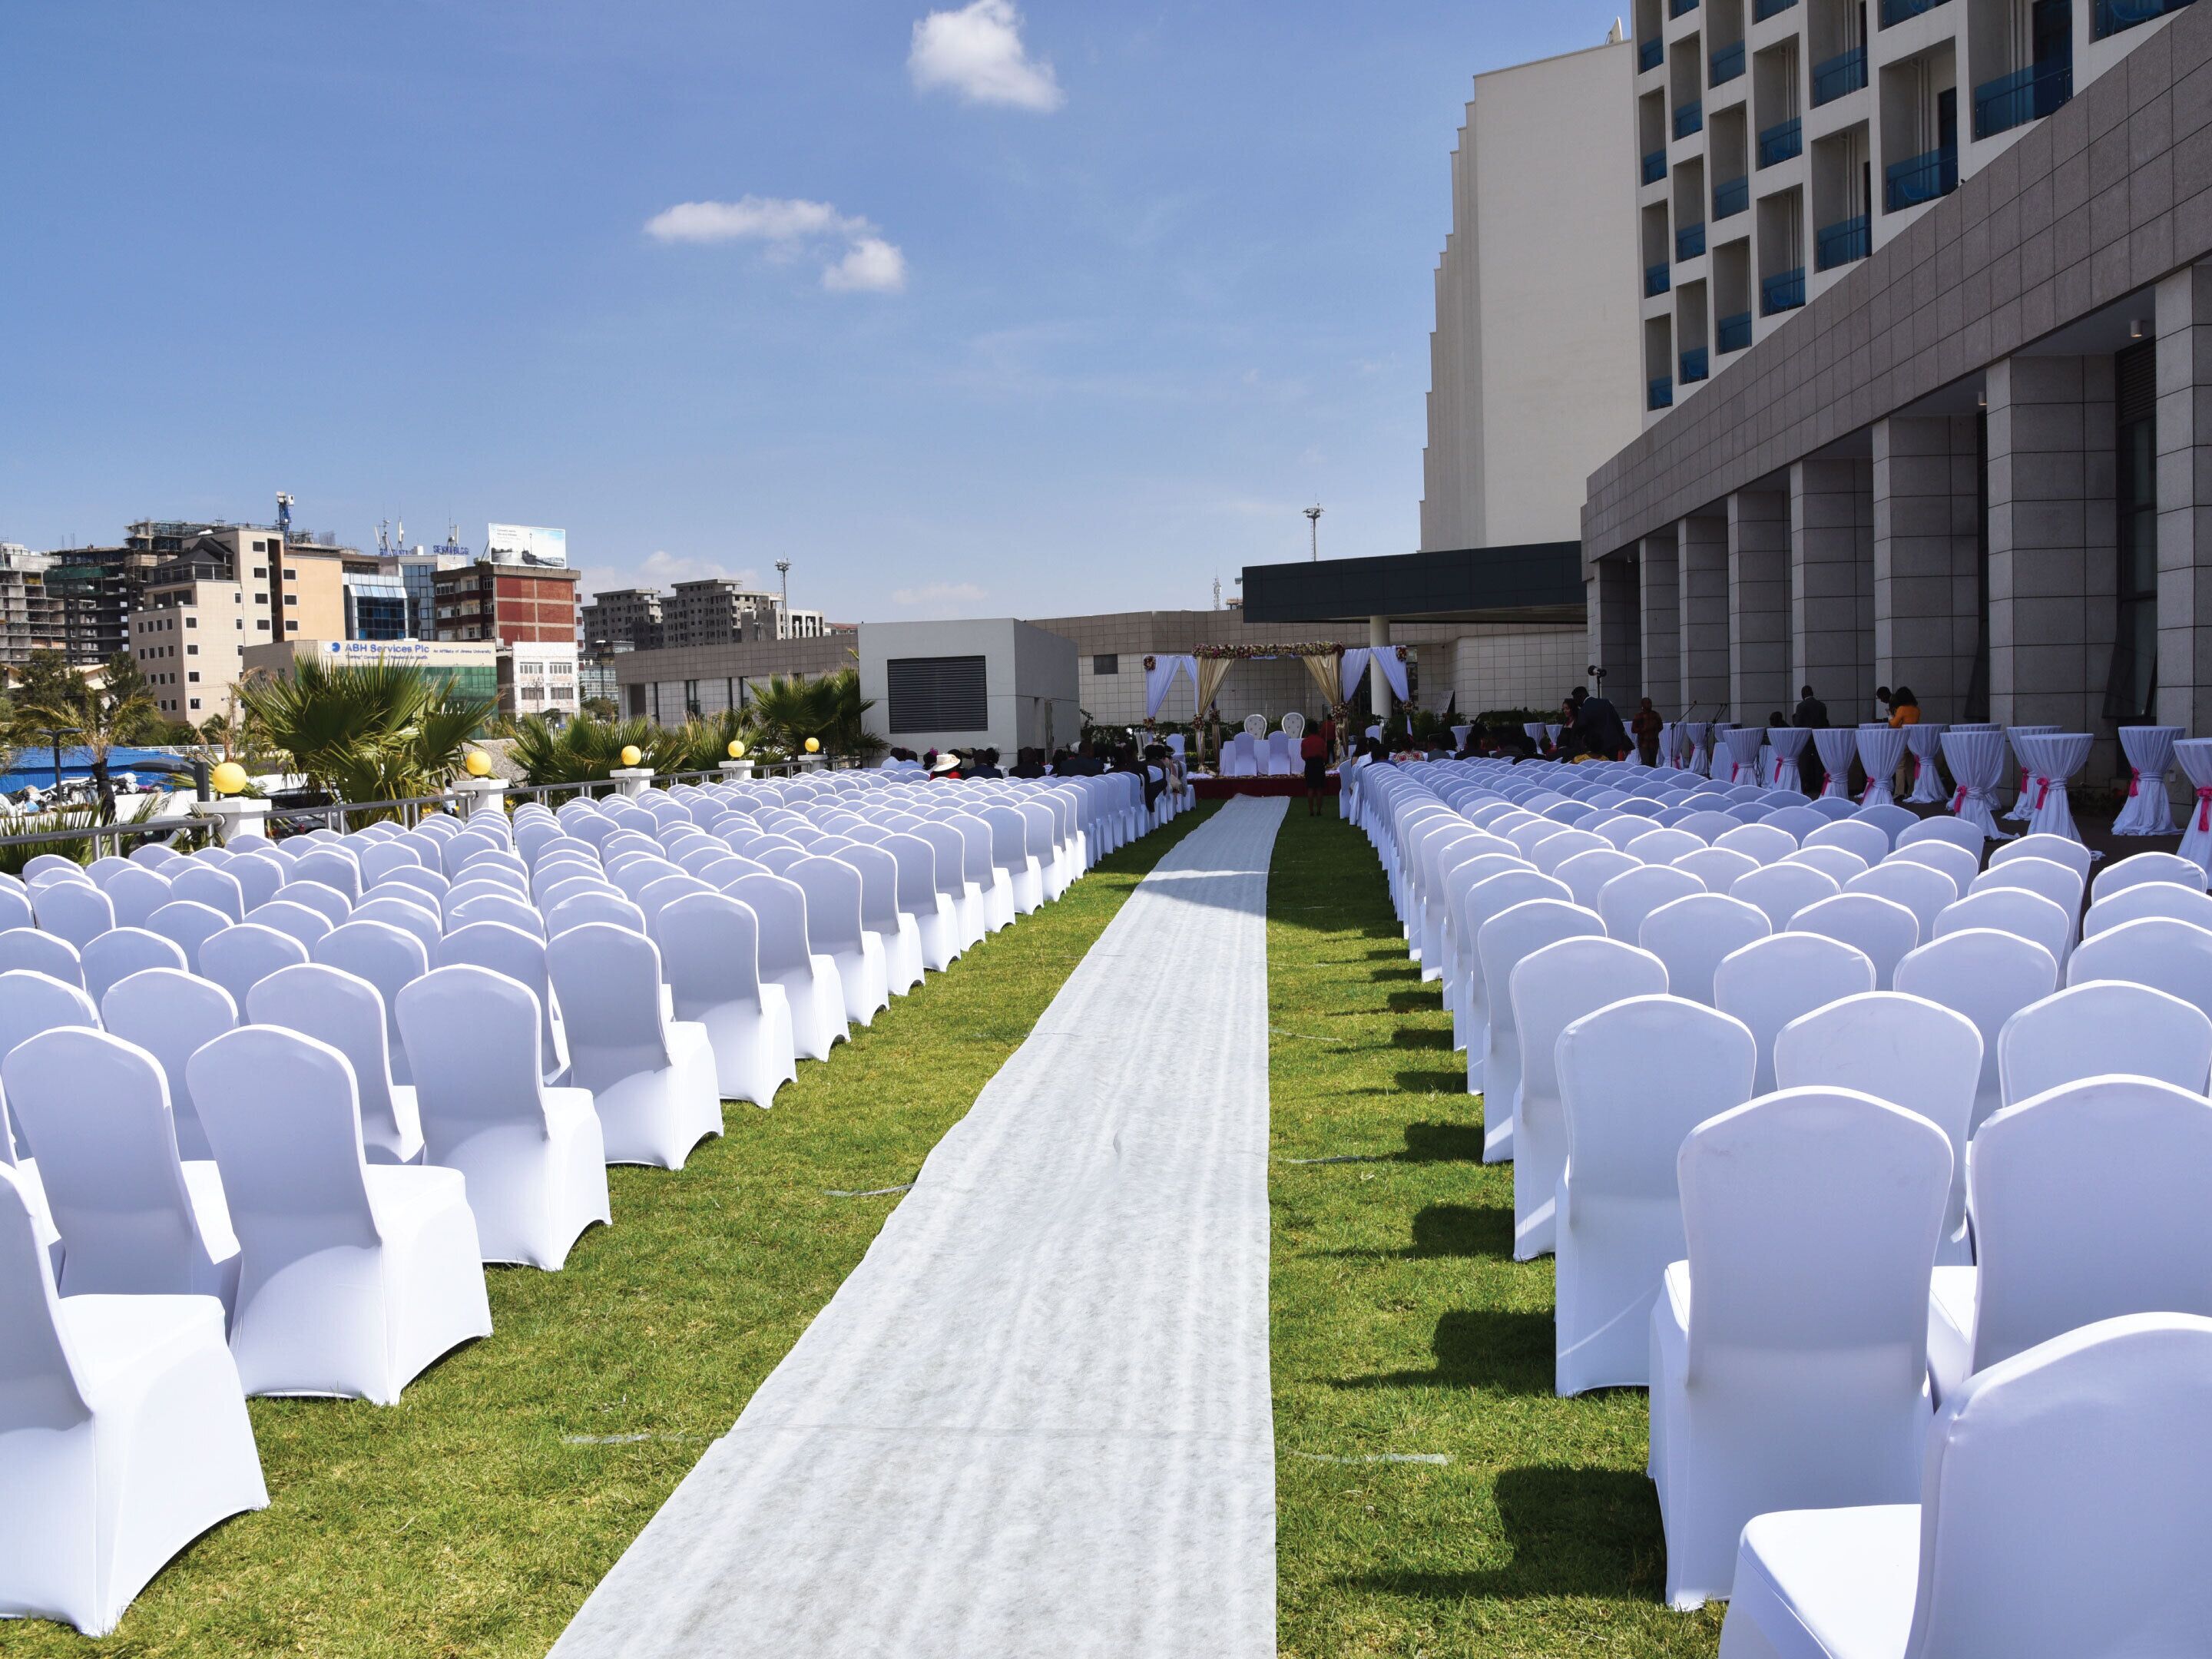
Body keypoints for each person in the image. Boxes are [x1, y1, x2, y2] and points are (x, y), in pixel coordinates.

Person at [1631, 697, 1664, 767]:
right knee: (1645, 764)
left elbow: (1661, 727)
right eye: (1647, 703)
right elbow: (1633, 729)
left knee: (1652, 763)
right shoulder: (1638, 716)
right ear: (1642, 705)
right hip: (1643, 743)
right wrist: (1643, 729)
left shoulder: (1655, 715)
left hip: (1654, 743)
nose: (1649, 705)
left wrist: (1655, 730)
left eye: (1650, 703)